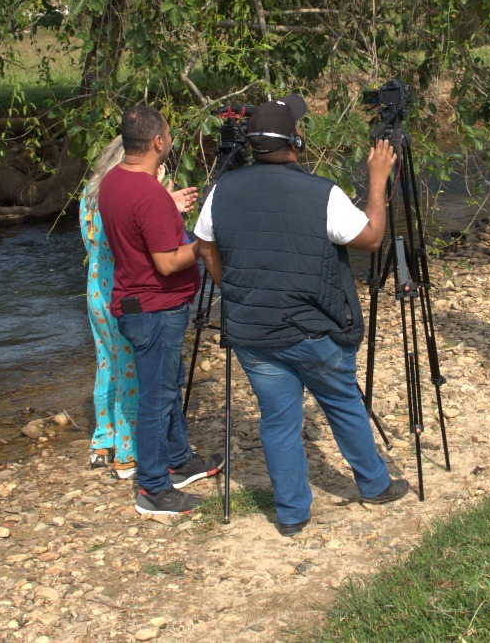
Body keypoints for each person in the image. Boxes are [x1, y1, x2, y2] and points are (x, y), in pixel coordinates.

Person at [193, 94, 410, 537]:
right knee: (343, 403)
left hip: (254, 332)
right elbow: (370, 238)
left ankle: (292, 514)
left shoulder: (220, 191)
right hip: (315, 330)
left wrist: (230, 287)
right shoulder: (322, 193)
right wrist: (376, 179)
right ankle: (373, 484)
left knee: (277, 421)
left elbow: (204, 246)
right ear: (295, 142)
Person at [97, 105, 223, 515]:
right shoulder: (148, 193)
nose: (170, 140)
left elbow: (137, 230)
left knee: (166, 383)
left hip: (137, 301)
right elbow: (168, 262)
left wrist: (167, 207)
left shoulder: (114, 181)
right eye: (168, 134)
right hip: (155, 307)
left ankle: (179, 458)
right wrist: (205, 243)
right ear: (157, 142)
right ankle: (153, 486)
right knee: (156, 396)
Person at [80, 137, 197, 483]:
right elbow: (132, 241)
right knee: (133, 371)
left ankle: (103, 442)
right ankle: (128, 453)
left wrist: (163, 201)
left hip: (95, 289)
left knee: (107, 363)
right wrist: (161, 203)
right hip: (122, 289)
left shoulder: (92, 194)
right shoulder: (124, 194)